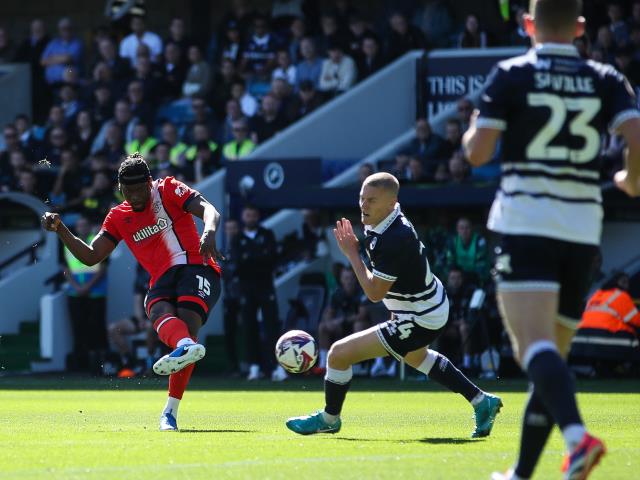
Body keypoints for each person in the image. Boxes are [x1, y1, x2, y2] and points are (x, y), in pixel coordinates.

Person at [462, 1, 640, 478]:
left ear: (527, 25)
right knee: (552, 357)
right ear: (581, 28)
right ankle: (522, 472)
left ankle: (578, 438)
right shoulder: (604, 77)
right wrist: (632, 178)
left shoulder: (512, 73)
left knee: (532, 349)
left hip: (526, 219)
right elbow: (636, 132)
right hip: (583, 227)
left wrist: (468, 134)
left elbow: (478, 153)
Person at [285, 172, 502, 437]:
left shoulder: (393, 237)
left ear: (392, 202)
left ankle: (330, 419)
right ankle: (482, 401)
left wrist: (352, 254)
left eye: (371, 200)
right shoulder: (385, 221)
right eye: (362, 198)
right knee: (416, 357)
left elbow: (374, 293)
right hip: (427, 306)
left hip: (420, 316)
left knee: (338, 355)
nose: (364, 205)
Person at [41, 153, 223, 431]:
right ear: (120, 189)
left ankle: (170, 409)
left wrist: (209, 231)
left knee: (186, 323)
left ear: (149, 182)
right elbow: (91, 256)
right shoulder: (118, 216)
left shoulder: (167, 188)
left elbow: (210, 210)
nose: (135, 196)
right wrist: (61, 229)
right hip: (161, 278)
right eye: (128, 191)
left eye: (140, 190)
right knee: (161, 314)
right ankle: (182, 355)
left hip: (196, 264)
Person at [231, 204, 284, 381]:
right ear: (243, 217)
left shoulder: (267, 234)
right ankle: (254, 366)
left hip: (265, 286)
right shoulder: (237, 238)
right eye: (248, 215)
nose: (251, 218)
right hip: (247, 288)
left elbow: (271, 259)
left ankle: (276, 366)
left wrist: (251, 259)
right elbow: (237, 264)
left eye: (254, 215)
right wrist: (257, 259)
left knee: (271, 326)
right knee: (249, 327)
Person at [571, 272, 640, 377]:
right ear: (616, 282)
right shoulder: (621, 295)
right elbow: (636, 320)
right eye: (624, 282)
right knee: (633, 336)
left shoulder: (595, 295)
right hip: (607, 340)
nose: (627, 286)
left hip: (582, 340)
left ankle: (603, 369)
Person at [63, 215, 108, 373]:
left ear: (89, 226)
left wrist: (87, 287)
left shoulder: (96, 241)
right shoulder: (69, 243)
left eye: (84, 225)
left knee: (96, 327)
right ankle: (80, 364)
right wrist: (76, 287)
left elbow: (103, 268)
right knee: (78, 328)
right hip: (75, 293)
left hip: (96, 293)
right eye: (79, 225)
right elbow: (66, 268)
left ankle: (98, 364)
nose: (81, 228)